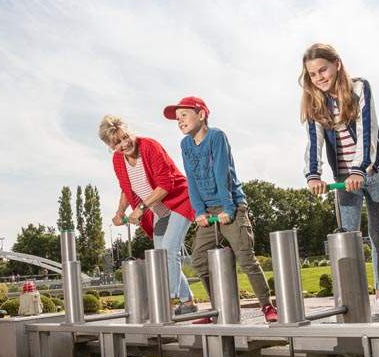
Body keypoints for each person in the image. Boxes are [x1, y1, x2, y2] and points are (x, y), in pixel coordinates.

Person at [300, 43, 379, 316]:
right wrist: (314, 175)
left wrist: (361, 169)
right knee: (347, 236)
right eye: (313, 74)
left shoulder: (359, 88)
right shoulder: (315, 102)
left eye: (323, 69)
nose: (319, 77)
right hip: (344, 180)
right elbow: (315, 142)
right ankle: (352, 297)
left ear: (337, 64)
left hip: (375, 171)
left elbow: (366, 130)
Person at [164, 96, 279, 323]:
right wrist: (199, 212)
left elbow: (222, 172)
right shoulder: (185, 145)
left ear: (201, 114)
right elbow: (192, 181)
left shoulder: (216, 136)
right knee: (198, 259)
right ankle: (217, 309)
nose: (180, 121)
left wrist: (228, 208)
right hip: (207, 211)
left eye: (184, 115)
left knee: (246, 258)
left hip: (231, 206)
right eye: (177, 119)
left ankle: (268, 306)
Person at [98, 115, 196, 314]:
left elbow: (166, 185)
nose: (125, 144)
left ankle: (166, 301)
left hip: (180, 201)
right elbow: (126, 188)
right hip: (159, 211)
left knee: (169, 250)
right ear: (110, 145)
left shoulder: (150, 146)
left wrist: (141, 208)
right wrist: (119, 212)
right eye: (117, 143)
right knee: (161, 257)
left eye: (125, 137)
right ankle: (187, 302)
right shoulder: (118, 160)